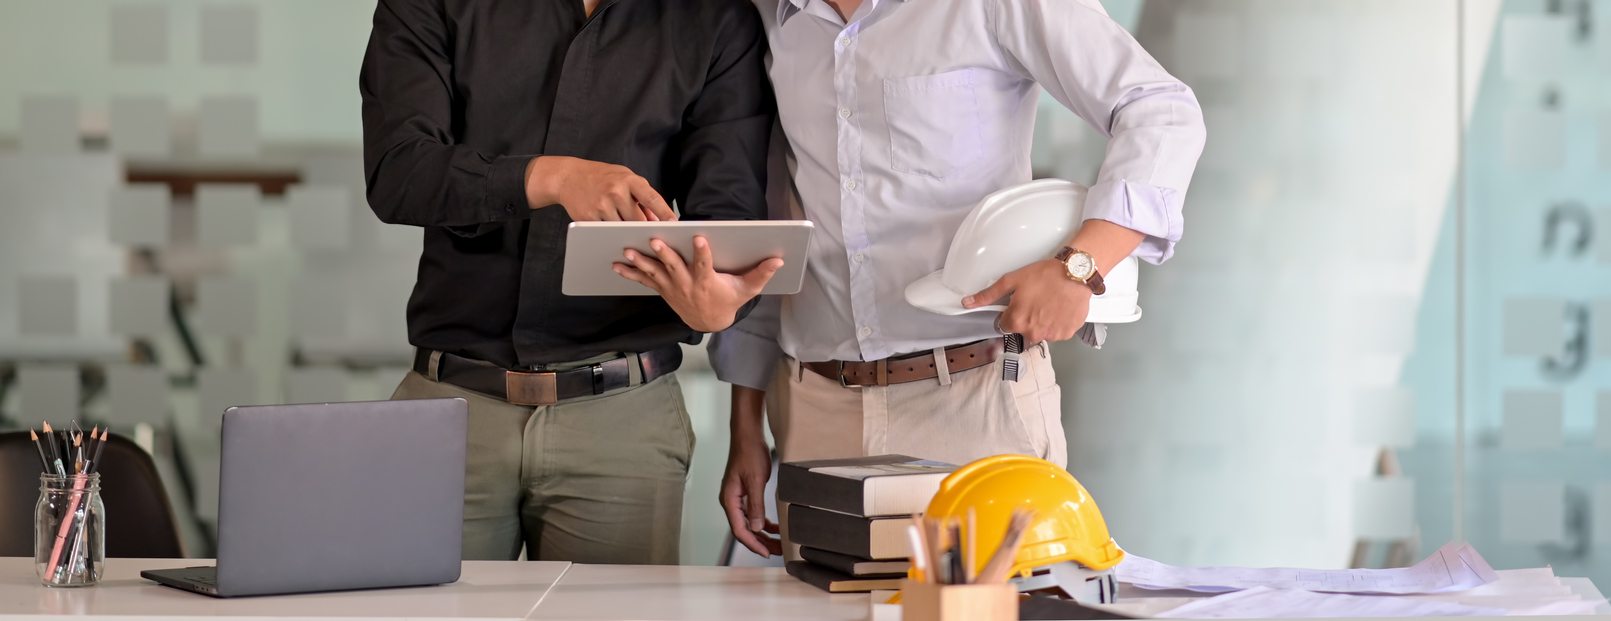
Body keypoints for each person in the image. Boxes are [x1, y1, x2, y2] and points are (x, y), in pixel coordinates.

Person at [631, 0, 1205, 557]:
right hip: (814, 414)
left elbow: (1160, 109)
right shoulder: (765, 16)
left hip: (976, 402)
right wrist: (746, 422)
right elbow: (772, 222)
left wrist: (1080, 267)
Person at [359, 0, 778, 564]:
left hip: (624, 422)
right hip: (449, 412)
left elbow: (729, 210)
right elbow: (398, 171)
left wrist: (716, 302)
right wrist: (548, 176)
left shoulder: (716, 17)